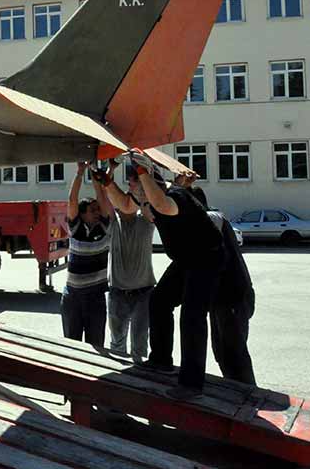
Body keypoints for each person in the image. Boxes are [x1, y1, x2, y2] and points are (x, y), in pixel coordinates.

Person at [130, 152, 226, 400]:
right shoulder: (155, 202)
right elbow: (128, 204)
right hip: (187, 260)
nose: (132, 191)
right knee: (159, 300)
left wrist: (143, 171)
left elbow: (162, 204)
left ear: (149, 185)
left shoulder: (176, 197)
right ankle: (161, 359)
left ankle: (191, 384)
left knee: (192, 317)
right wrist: (105, 181)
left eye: (135, 186)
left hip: (206, 259)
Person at [189, 186, 256, 386]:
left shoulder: (212, 220)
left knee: (234, 353)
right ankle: (236, 391)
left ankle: (247, 395)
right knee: (222, 352)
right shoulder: (208, 220)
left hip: (232, 296)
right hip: (221, 298)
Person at [98, 162, 157, 362]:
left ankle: (139, 382)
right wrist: (108, 173)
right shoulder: (114, 224)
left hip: (143, 293)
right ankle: (120, 379)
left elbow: (149, 202)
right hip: (118, 293)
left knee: (140, 343)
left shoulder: (145, 221)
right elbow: (105, 199)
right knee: (117, 342)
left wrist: (142, 178)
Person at [61, 162, 113, 346]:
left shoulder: (104, 227)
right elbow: (72, 200)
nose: (97, 213)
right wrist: (80, 173)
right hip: (72, 299)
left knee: (96, 345)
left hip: (96, 299)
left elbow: (102, 197)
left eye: (97, 209)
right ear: (82, 215)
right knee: (72, 347)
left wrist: (94, 173)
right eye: (92, 211)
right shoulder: (75, 229)